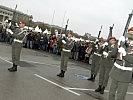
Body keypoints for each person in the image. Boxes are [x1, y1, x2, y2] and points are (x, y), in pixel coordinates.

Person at [108, 27, 133, 100]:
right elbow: (113, 54)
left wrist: (125, 54)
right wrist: (118, 45)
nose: (130, 35)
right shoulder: (123, 42)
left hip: (126, 73)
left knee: (120, 96)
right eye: (130, 33)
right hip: (116, 70)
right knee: (111, 93)